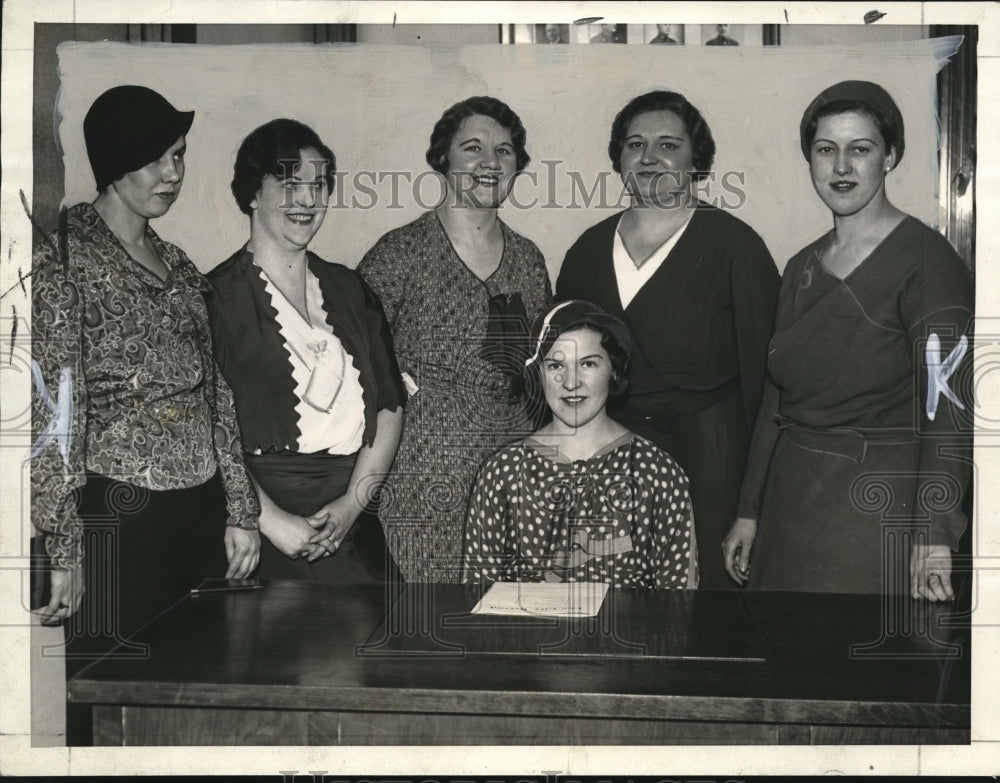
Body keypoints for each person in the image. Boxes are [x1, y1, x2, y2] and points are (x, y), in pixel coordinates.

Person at [30, 85, 260, 743]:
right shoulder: (64, 256)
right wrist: (65, 546)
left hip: (197, 518)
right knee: (111, 704)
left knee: (202, 701)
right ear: (114, 160)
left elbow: (214, 394)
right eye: (156, 159)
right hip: (119, 524)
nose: (173, 174)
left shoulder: (181, 266)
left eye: (181, 156)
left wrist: (240, 510)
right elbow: (53, 409)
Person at [723, 81, 973, 598]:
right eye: (825, 150)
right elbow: (777, 396)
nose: (841, 167)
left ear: (891, 157)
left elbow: (947, 412)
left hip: (874, 510)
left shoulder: (928, 263)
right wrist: (750, 511)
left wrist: (933, 536)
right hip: (791, 506)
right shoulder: (800, 267)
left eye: (860, 149)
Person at [556, 90, 779, 588]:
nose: (649, 157)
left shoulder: (734, 246)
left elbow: (766, 390)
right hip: (609, 461)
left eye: (668, 145)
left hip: (712, 463)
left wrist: (752, 504)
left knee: (707, 612)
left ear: (695, 159)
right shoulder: (587, 251)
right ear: (619, 159)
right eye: (635, 144)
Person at [358, 96, 552, 583]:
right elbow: (354, 364)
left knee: (504, 632)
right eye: (473, 147)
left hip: (511, 483)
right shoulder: (399, 253)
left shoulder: (529, 261)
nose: (490, 162)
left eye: (505, 151)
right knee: (428, 631)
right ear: (444, 158)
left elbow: (543, 373)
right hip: (419, 485)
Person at [206, 119, 406, 582]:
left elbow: (391, 405)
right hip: (260, 535)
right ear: (253, 193)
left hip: (351, 528)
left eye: (318, 186)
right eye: (290, 183)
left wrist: (351, 506)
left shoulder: (351, 289)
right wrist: (269, 520)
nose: (307, 200)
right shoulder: (212, 299)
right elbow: (203, 430)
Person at [462, 300, 697, 588]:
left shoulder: (657, 473)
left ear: (613, 369)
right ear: (538, 374)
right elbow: (476, 591)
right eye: (556, 365)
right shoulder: (501, 474)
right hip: (529, 633)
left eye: (588, 363)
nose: (571, 382)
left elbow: (678, 600)